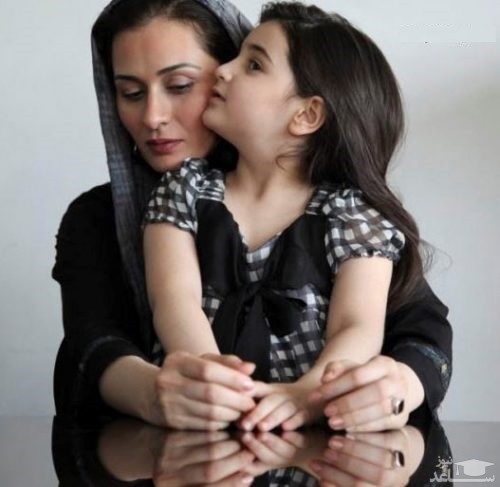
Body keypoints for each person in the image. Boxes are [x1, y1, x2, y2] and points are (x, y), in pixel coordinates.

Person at [52, 0, 452, 431]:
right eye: (130, 93)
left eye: (181, 85)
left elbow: (407, 331)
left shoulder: (348, 215)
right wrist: (197, 385)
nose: (153, 117)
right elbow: (96, 342)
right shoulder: (133, 208)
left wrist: (374, 389)